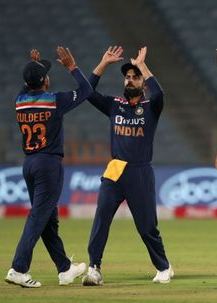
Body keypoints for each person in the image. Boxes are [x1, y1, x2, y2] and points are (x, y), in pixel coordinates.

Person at [81, 46, 173, 285]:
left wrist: (143, 65)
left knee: (146, 227)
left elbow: (160, 94)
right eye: (128, 77)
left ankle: (163, 267)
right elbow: (88, 93)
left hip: (139, 170)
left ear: (143, 83)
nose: (130, 80)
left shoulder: (151, 106)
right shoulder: (115, 104)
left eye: (135, 77)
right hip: (115, 169)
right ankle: (94, 268)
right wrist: (102, 63)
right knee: (101, 217)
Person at [5, 47, 91, 288]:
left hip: (29, 164)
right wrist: (73, 67)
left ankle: (64, 269)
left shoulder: (19, 102)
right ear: (45, 80)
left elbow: (27, 84)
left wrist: (34, 66)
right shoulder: (54, 100)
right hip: (48, 165)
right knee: (38, 217)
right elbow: (86, 90)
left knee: (47, 219)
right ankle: (18, 268)